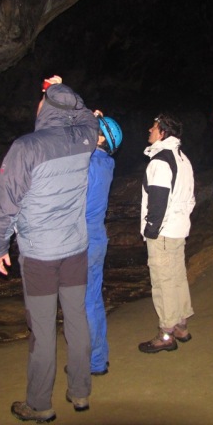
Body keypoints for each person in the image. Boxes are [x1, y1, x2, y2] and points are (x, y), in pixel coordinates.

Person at [0, 76, 98, 423]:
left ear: (47, 107)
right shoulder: (84, 139)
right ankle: (80, 392)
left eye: (44, 100)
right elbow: (89, 119)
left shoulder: (27, 146)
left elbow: (5, 202)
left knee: (43, 329)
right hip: (75, 249)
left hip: (39, 255)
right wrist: (65, 91)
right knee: (77, 321)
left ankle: (39, 404)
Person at [138, 112, 196, 353]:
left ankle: (166, 334)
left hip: (163, 232)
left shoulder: (160, 161)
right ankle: (181, 325)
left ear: (162, 132)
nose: (149, 131)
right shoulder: (183, 158)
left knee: (163, 282)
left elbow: (158, 201)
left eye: (153, 127)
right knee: (177, 277)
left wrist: (151, 231)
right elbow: (190, 196)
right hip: (178, 229)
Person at [85, 113, 122, 375]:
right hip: (97, 238)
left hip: (83, 241)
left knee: (84, 303)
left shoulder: (88, 166)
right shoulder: (105, 163)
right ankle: (97, 359)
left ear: (99, 138)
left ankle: (89, 361)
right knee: (93, 300)